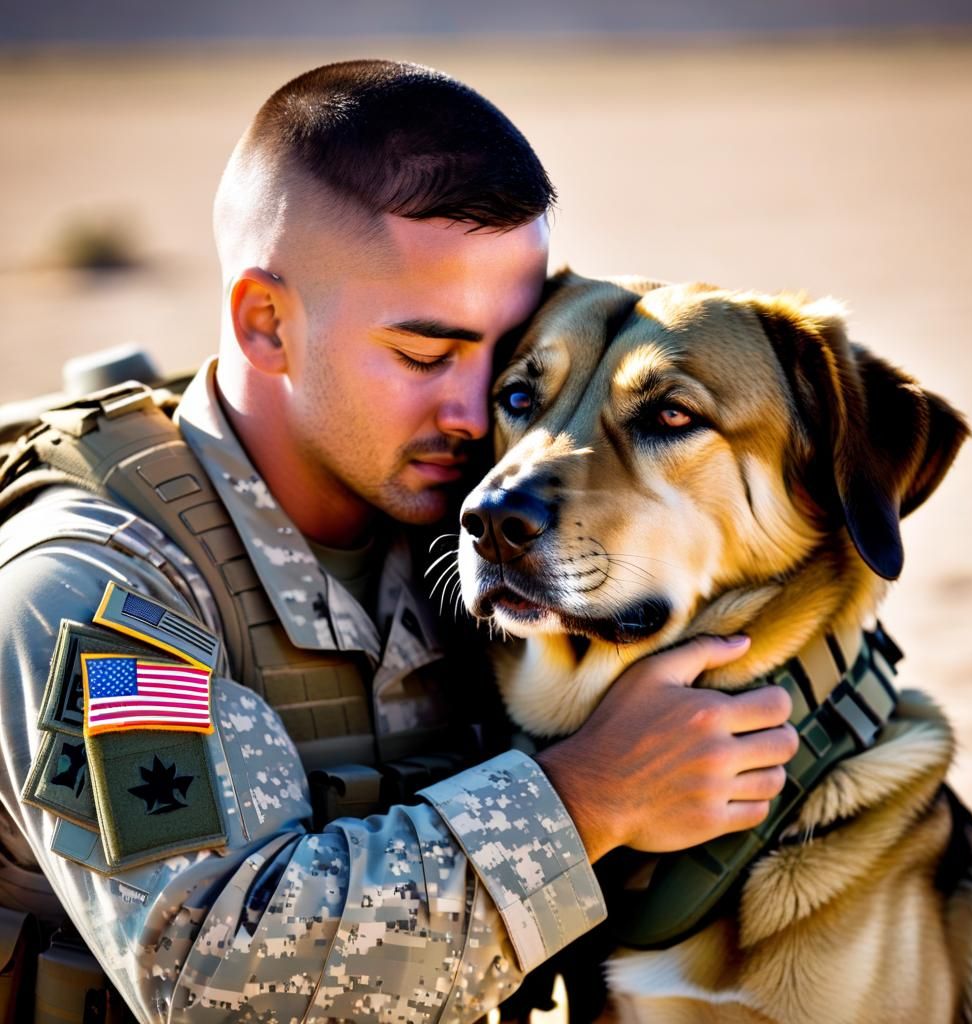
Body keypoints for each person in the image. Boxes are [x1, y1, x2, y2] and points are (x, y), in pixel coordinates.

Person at [0, 60, 797, 1022]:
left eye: (509, 368)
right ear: (266, 323)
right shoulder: (101, 594)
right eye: (425, 354)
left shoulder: (483, 522)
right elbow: (220, 986)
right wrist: (590, 800)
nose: (476, 414)